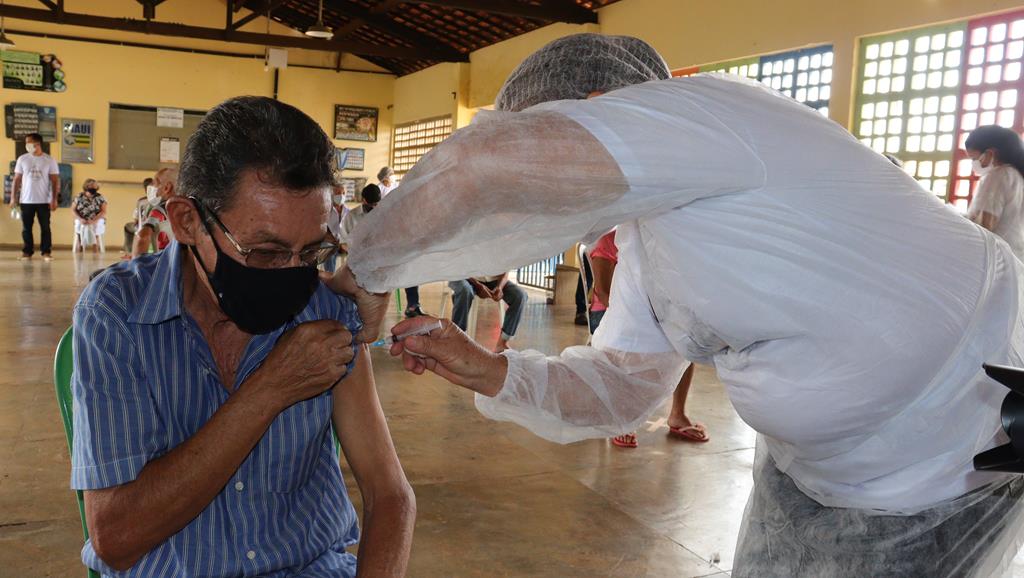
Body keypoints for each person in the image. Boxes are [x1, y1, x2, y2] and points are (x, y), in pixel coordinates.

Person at [343, 34, 1024, 577]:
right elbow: (620, 390)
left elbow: (481, 164)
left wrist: (367, 270)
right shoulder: (650, 243)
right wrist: (488, 369)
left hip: (955, 458)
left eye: (552, 138)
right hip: (820, 473)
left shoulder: (710, 113)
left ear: (604, 103)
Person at [71, 96, 414, 577]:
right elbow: (115, 538)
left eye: (311, 251)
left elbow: (390, 494)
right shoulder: (117, 315)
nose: (294, 275)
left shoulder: (325, 311)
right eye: (265, 253)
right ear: (187, 221)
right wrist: (270, 389)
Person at [587, 230, 706, 449]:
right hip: (609, 312)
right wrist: (638, 318)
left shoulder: (657, 238)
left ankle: (677, 414)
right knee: (626, 349)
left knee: (684, 344)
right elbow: (603, 291)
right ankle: (624, 418)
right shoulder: (608, 241)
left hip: (650, 314)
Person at [965, 125, 1024, 261]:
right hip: (1016, 258)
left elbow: (985, 227)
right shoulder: (1018, 176)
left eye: (975, 158)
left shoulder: (998, 176)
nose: (974, 164)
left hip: (996, 259)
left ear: (991, 153)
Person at [11, 132, 59, 261]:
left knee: (45, 227)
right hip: (26, 200)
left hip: (44, 200)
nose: (27, 145)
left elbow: (55, 181)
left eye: (29, 143)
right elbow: (16, 180)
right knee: (26, 228)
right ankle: (27, 252)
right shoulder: (22, 159)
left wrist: (54, 199)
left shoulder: (49, 160)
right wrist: (13, 198)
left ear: (37, 144)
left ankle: (46, 252)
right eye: (26, 143)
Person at [448, 273, 526, 352]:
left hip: (492, 280)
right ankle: (457, 338)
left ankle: (502, 343)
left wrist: (500, 287)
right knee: (464, 290)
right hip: (463, 276)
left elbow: (505, 271)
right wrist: (478, 285)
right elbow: (460, 268)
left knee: (520, 296)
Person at [131, 168, 177, 258]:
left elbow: (142, 237)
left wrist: (135, 264)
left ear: (167, 188)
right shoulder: (189, 208)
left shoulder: (160, 210)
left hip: (164, 261)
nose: (152, 187)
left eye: (155, 183)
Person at [339, 183, 382, 252]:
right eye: (372, 204)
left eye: (376, 204)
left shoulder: (382, 215)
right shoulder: (351, 216)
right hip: (357, 257)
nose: (374, 207)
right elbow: (343, 240)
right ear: (364, 200)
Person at [72, 179, 108, 253]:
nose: (93, 187)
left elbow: (103, 211)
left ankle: (95, 245)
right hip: (82, 218)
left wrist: (94, 220)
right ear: (86, 186)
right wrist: (80, 219)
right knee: (79, 224)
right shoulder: (79, 197)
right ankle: (80, 244)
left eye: (95, 186)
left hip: (97, 218)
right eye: (91, 186)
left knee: (96, 225)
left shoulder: (100, 198)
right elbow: (73, 210)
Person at [123, 178, 153, 256]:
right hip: (158, 227)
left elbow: (136, 218)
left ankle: (130, 252)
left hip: (142, 227)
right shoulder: (162, 200)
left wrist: (137, 222)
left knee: (127, 227)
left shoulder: (141, 201)